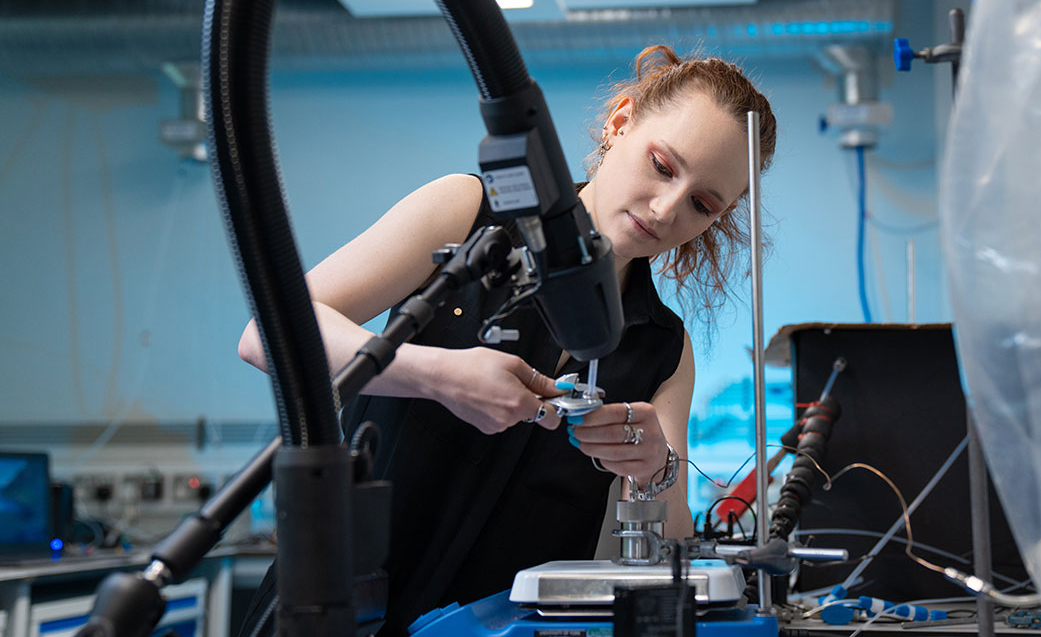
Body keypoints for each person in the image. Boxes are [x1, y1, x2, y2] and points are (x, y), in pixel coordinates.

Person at [236, 45, 777, 636]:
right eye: (663, 165)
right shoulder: (469, 215)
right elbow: (268, 333)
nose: (667, 208)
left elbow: (668, 550)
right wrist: (436, 375)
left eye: (702, 204)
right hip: (336, 614)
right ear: (619, 122)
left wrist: (657, 469)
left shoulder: (662, 348)